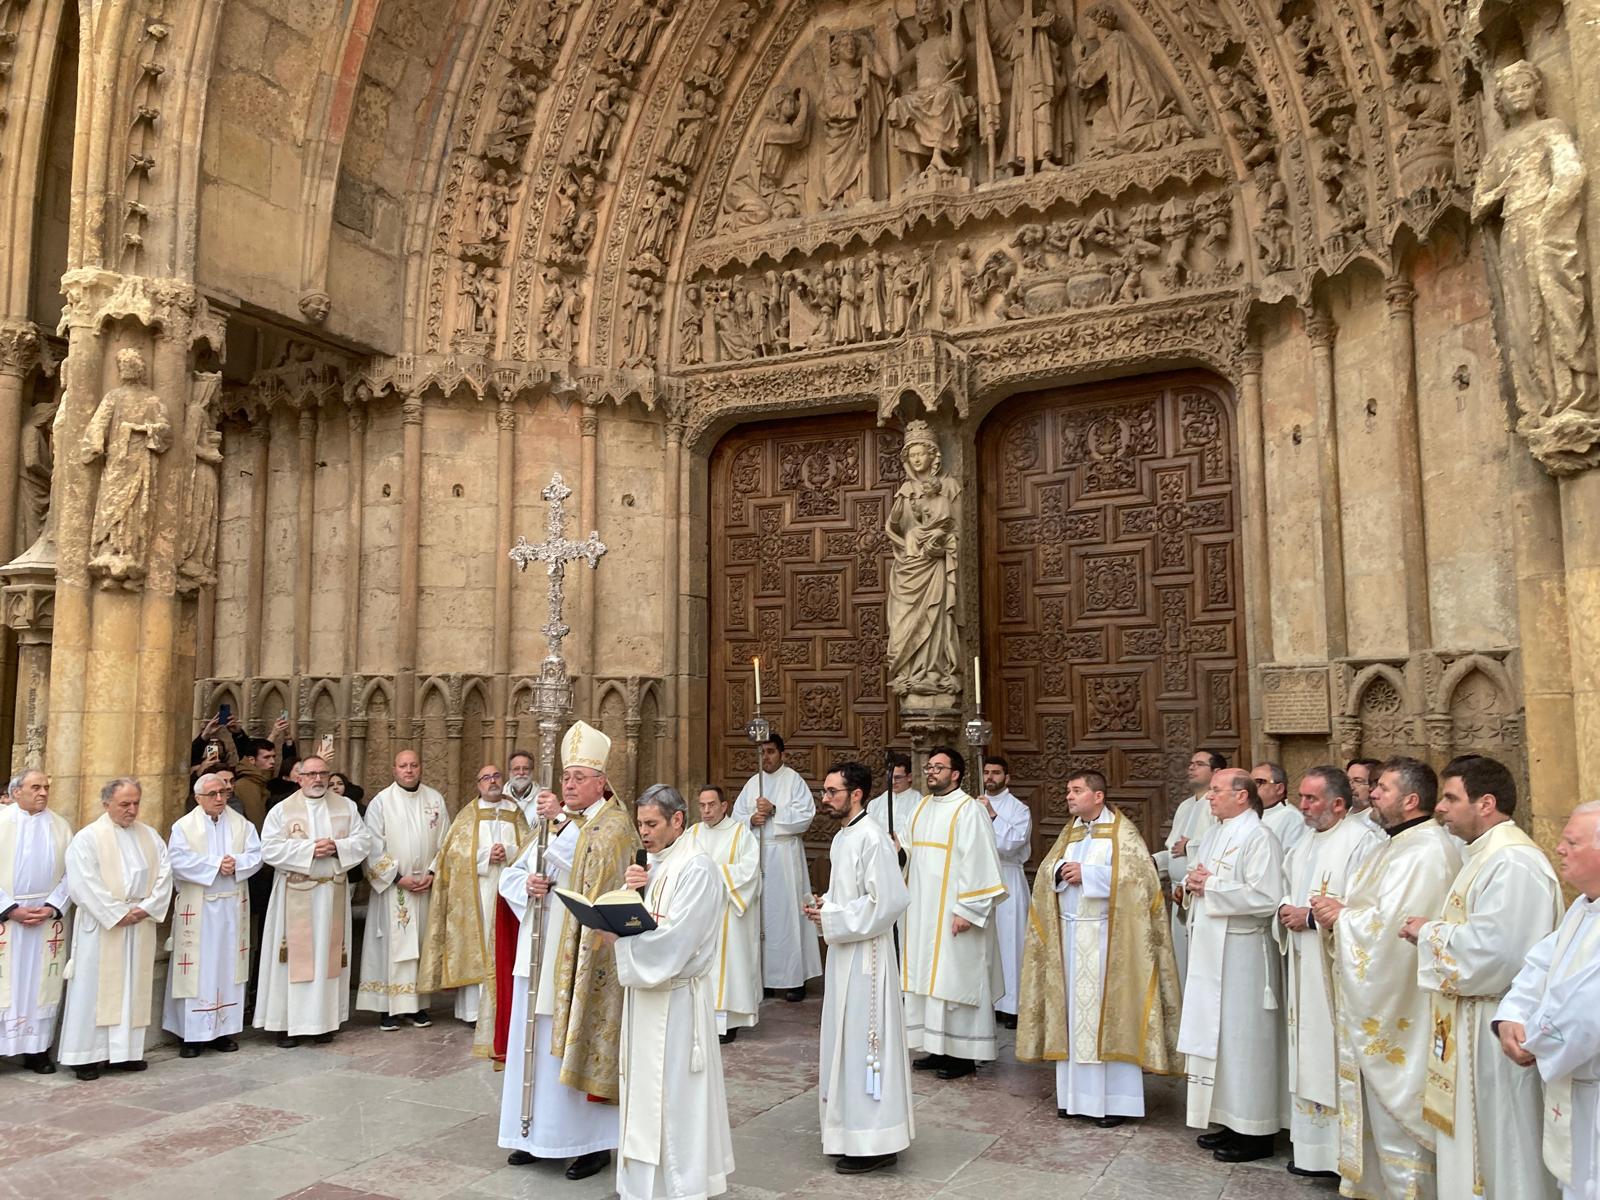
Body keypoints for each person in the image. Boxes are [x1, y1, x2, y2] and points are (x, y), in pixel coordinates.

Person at [1404, 754, 1561, 1199]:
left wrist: (1427, 932)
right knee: (1479, 1144)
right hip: (1470, 1023)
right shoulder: (1483, 856)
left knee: (1503, 1144)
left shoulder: (1513, 862)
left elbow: (1498, 954)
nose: (1441, 808)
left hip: (1496, 1028)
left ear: (1486, 802)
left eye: (1451, 798)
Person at [1313, 757, 1461, 1200]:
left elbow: (1394, 928)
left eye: (1383, 788)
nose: (1372, 794)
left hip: (1404, 1006)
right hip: (1384, 997)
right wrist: (1343, 914)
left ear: (1412, 800)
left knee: (1403, 1126)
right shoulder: (1394, 844)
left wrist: (1344, 918)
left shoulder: (1426, 850)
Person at [498, 720, 638, 1181]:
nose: (571, 784)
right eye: (566, 777)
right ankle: (533, 1134)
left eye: (580, 777)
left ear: (601, 781)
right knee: (532, 1042)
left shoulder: (613, 824)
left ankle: (589, 1143)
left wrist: (557, 825)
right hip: (538, 950)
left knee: (572, 1044)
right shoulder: (554, 823)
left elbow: (593, 866)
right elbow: (512, 875)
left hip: (583, 958)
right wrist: (530, 885)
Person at [1017, 770, 1182, 1128]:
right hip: (1071, 938)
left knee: (1110, 1018)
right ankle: (1075, 1099)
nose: (1069, 797)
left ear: (1098, 796)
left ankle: (1115, 1103)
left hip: (1109, 941)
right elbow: (1048, 872)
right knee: (1075, 1021)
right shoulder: (1071, 832)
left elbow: (1142, 881)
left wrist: (1089, 875)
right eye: (1067, 791)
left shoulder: (1123, 834)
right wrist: (1061, 872)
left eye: (1076, 791)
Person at [608, 785, 735, 1200]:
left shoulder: (696, 868)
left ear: (677, 821)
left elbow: (677, 942)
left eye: (651, 824)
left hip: (677, 1001)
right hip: (646, 997)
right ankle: (641, 1187)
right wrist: (632, 894)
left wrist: (619, 942)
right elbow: (646, 921)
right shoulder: (657, 864)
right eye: (640, 824)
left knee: (674, 1100)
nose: (643, 833)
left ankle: (678, 1187)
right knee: (643, 1093)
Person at [1274, 766, 1383, 1179]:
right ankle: (1312, 1150)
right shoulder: (1303, 841)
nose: (1302, 806)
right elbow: (1290, 885)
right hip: (1303, 962)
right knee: (1307, 1049)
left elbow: (1369, 907)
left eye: (1311, 799)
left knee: (1331, 1052)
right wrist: (1285, 909)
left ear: (1338, 804)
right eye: (1301, 797)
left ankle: (1343, 1154)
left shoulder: (1363, 842)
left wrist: (1315, 920)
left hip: (1336, 968)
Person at [805, 762, 912, 1174]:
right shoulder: (843, 837)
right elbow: (849, 893)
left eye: (832, 791)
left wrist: (833, 918)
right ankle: (849, 1131)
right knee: (844, 1044)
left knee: (867, 1047)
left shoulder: (873, 838)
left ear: (857, 794)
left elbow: (889, 901)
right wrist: (824, 904)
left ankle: (877, 1141)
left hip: (868, 958)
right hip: (845, 954)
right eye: (825, 791)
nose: (826, 798)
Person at [1178, 768, 1285, 1163]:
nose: (1209, 797)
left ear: (1242, 796)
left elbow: (1267, 897)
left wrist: (1211, 886)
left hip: (1243, 955)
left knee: (1245, 1041)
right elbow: (1202, 878)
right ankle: (1227, 1118)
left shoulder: (1260, 837)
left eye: (1217, 790)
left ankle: (1255, 1131)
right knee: (1219, 1039)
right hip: (1211, 949)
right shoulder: (1216, 833)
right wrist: (1194, 882)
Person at [1496, 802, 1600, 1200]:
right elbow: (1540, 966)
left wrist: (1533, 1042)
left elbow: (1586, 1010)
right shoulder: (1583, 906)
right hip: (1575, 1085)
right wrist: (1510, 1018)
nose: (1558, 849)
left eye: (1571, 842)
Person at [901, 746, 1006, 1080]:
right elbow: (907, 850)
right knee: (928, 981)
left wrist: (969, 909)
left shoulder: (969, 810)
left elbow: (980, 863)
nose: (931, 772)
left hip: (955, 914)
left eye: (938, 767)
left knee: (956, 981)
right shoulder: (920, 808)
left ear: (956, 774)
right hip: (922, 912)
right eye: (929, 767)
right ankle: (937, 1046)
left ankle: (963, 1055)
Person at [58, 778, 172, 1081]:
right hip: (103, 926)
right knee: (95, 989)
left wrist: (146, 908)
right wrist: (117, 912)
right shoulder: (88, 838)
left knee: (132, 987)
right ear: (106, 803)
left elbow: (165, 874)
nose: (132, 809)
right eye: (125, 804)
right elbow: (82, 882)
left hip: (139, 923)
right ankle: (86, 1056)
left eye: (136, 803)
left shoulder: (150, 836)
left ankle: (125, 1053)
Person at [254, 754, 372, 1047]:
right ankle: (286, 1024)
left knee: (326, 958)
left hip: (331, 893)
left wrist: (337, 847)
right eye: (311, 774)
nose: (318, 779)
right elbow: (268, 850)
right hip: (295, 893)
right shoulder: (282, 810)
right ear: (300, 778)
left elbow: (363, 842)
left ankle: (322, 1023)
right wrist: (309, 850)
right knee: (291, 960)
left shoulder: (346, 807)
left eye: (323, 773)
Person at [417, 763, 529, 1056]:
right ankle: (473, 1012)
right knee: (478, 946)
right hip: (478, 892)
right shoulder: (468, 815)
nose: (492, 782)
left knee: (503, 947)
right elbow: (451, 856)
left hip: (508, 890)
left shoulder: (515, 813)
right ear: (478, 784)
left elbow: (530, 848)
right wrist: (482, 856)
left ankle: (504, 1010)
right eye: (486, 778)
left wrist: (511, 852)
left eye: (496, 777)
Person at [164, 772, 263, 1057]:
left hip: (232, 907)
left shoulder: (241, 824)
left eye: (223, 793)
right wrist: (216, 865)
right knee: (199, 968)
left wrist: (237, 863)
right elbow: (177, 861)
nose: (220, 798)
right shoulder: (184, 826)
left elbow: (256, 854)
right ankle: (191, 1035)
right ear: (198, 798)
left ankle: (222, 1031)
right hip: (200, 908)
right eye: (213, 794)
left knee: (227, 966)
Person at [359, 750, 449, 1029]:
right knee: (393, 946)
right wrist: (397, 877)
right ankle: (389, 1007)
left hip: (424, 888)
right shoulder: (381, 803)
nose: (408, 770)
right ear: (394, 769)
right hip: (393, 889)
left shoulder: (434, 799)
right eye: (403, 766)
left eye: (413, 765)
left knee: (421, 944)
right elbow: (372, 846)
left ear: (421, 768)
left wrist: (434, 873)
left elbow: (446, 841)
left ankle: (418, 1005)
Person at [732, 732, 820, 1001]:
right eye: (762, 753)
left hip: (783, 856)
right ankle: (765, 979)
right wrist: (751, 819)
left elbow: (806, 816)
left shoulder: (793, 780)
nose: (766, 757)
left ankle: (794, 979)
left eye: (770, 752)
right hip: (758, 855)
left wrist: (775, 811)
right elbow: (736, 819)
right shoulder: (752, 783)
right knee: (761, 920)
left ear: (782, 754)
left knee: (787, 917)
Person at [0, 770, 71, 1074]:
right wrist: (9, 908)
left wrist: (53, 905)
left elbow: (73, 872)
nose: (43, 792)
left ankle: (37, 1049)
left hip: (44, 919)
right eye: (35, 787)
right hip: (7, 919)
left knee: (40, 984)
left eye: (45, 787)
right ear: (17, 793)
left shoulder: (60, 826)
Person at [684, 785, 760, 1043]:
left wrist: (714, 874)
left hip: (728, 911)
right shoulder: (692, 833)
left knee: (727, 966)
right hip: (700, 913)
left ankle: (726, 1024)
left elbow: (749, 871)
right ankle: (699, 1019)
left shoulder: (741, 834)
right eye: (702, 805)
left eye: (712, 805)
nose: (706, 811)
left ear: (724, 806)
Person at [977, 755, 1031, 1029]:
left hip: (1008, 876)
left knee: (1011, 941)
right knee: (985, 941)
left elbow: (1012, 843)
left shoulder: (1019, 809)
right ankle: (988, 1000)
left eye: (996, 773)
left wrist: (993, 815)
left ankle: (1012, 1006)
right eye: (986, 772)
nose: (990, 777)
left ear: (1006, 778)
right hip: (981, 878)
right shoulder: (972, 804)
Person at [1160, 749, 1223, 980]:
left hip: (1199, 893)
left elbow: (1221, 843)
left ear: (1216, 772)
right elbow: (1173, 849)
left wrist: (1191, 846)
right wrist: (1151, 863)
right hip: (1179, 894)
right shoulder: (1186, 805)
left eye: (1199, 764)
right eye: (1190, 764)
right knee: (1180, 959)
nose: (1191, 768)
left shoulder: (1217, 805)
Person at [1252, 761, 1306, 853]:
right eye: (1250, 783)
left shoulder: (1292, 818)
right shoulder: (1249, 813)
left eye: (1258, 783)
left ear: (1279, 788)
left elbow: (1290, 860)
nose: (1251, 789)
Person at [865, 751, 920, 841]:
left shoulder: (919, 802)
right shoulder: (875, 804)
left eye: (898, 778)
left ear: (909, 777)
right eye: (890, 777)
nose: (893, 782)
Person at [1345, 757, 1383, 837]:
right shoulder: (1340, 814)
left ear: (1373, 785)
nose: (1350, 787)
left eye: (1358, 781)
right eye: (1347, 780)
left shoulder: (1376, 825)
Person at [503, 748, 538, 818]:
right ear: (510, 771)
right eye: (516, 769)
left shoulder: (542, 798)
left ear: (532, 771)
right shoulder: (500, 797)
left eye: (526, 768)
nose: (521, 773)